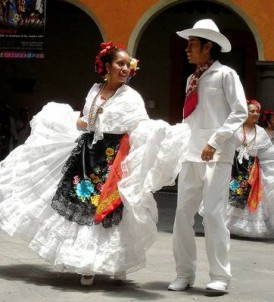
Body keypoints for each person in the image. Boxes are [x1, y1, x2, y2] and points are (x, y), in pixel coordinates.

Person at [0, 42, 187, 286]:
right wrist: (64, 122)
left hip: (113, 159)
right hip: (85, 157)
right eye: (120, 63)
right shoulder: (95, 90)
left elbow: (139, 127)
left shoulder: (132, 98)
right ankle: (85, 264)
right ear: (107, 66)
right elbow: (87, 121)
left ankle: (116, 263)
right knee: (84, 207)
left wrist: (160, 133)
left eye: (127, 64)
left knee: (113, 212)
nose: (125, 68)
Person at [168, 19, 248, 294]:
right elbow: (191, 118)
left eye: (192, 44)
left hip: (217, 154)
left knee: (213, 215)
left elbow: (240, 111)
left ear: (207, 46)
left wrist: (214, 142)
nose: (187, 49)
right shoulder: (192, 79)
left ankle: (219, 276)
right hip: (191, 154)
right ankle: (184, 273)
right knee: (181, 215)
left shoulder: (226, 75)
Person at [226, 100, 273, 238]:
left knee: (247, 197)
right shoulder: (235, 129)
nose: (255, 114)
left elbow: (268, 153)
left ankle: (243, 227)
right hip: (233, 167)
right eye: (252, 111)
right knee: (228, 195)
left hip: (251, 170)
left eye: (257, 111)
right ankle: (224, 225)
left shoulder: (261, 133)